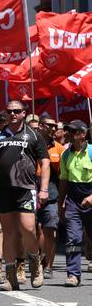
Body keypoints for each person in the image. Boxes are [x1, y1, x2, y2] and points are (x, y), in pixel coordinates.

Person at [0, 100, 49, 291]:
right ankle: (10, 277)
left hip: (26, 189)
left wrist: (43, 189)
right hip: (3, 190)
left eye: (16, 111)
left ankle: (35, 263)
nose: (12, 114)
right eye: (9, 111)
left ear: (23, 113)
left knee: (28, 229)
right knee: (8, 233)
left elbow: (44, 163)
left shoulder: (34, 135)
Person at [58, 120, 92, 287]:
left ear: (83, 134)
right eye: (68, 132)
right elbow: (64, 181)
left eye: (73, 131)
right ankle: (73, 274)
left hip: (91, 198)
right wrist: (60, 204)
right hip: (73, 200)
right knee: (73, 239)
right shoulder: (65, 155)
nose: (70, 135)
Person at [37, 115, 64, 278]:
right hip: (32, 190)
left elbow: (63, 177)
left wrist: (63, 199)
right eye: (49, 126)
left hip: (52, 193)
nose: (53, 129)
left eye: (55, 126)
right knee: (33, 229)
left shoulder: (59, 148)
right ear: (40, 126)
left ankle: (48, 266)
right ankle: (38, 259)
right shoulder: (32, 144)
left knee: (50, 229)